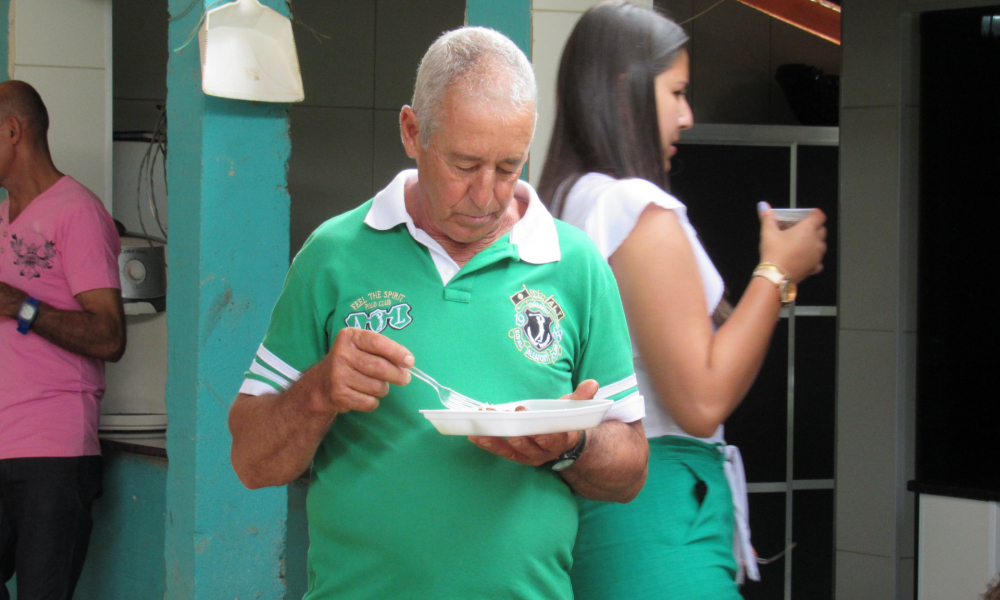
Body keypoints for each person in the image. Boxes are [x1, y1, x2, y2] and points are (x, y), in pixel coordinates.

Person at [228, 27, 649, 600]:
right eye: (464, 164)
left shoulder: (576, 266)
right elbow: (252, 462)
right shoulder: (334, 254)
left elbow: (630, 469)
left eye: (508, 167)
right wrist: (320, 390)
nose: (486, 195)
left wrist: (573, 443)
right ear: (411, 131)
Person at [536, 3, 827, 599]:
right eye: (677, 92)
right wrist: (775, 273)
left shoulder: (564, 199)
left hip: (596, 504)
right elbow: (700, 399)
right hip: (658, 505)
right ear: (627, 92)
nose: (689, 116)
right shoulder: (632, 207)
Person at [0, 80, 126, 600]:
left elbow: (109, 334)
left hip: (52, 448)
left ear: (12, 131)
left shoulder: (77, 212)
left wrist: (21, 305)